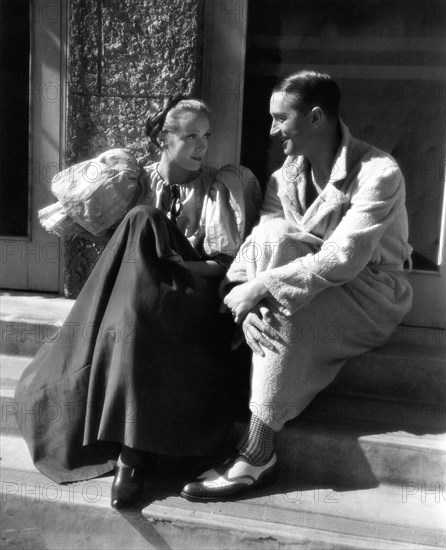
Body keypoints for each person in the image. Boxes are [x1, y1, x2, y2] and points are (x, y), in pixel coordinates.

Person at [14, 96, 262, 508]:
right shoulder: (133, 183)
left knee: (144, 222)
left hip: (195, 297)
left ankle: (132, 457)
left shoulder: (223, 185)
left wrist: (170, 264)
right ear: (161, 139)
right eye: (190, 136)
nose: (202, 146)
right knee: (141, 219)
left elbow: (226, 267)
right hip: (142, 305)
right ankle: (132, 454)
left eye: (206, 136)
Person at [180, 70, 413, 501]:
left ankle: (257, 451)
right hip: (303, 287)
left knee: (286, 298)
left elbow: (341, 257)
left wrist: (262, 287)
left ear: (317, 117)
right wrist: (248, 305)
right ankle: (255, 439)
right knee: (273, 240)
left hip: (370, 295)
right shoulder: (284, 177)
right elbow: (257, 247)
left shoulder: (379, 172)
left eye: (280, 118)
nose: (271, 130)